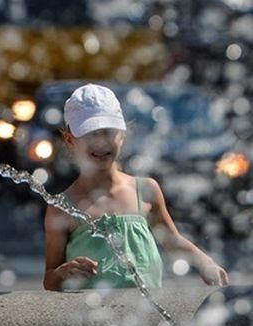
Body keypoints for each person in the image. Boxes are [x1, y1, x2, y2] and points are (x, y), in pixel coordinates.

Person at [43, 83, 229, 291]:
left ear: (122, 135)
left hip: (147, 314)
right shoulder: (62, 206)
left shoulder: (145, 190)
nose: (101, 143)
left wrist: (205, 263)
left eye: (109, 132)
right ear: (70, 140)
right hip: (92, 317)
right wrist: (63, 273)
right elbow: (49, 279)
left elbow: (172, 240)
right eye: (90, 134)